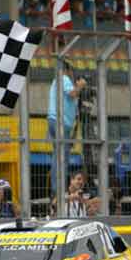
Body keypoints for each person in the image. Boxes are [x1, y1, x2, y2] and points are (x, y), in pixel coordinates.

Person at [47, 61, 86, 196]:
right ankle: (57, 189)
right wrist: (80, 86)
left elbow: (72, 103)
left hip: (59, 122)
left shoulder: (56, 81)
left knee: (60, 155)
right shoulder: (63, 79)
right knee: (61, 156)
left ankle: (57, 186)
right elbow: (72, 93)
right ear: (67, 71)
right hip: (60, 122)